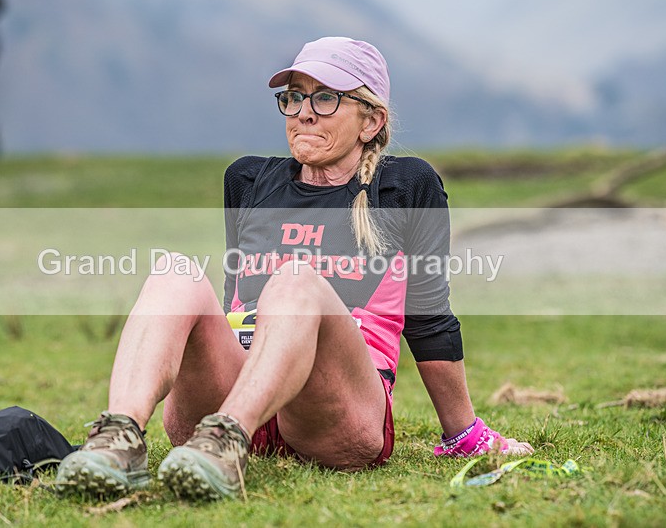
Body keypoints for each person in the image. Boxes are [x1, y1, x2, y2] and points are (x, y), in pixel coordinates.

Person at [55, 37, 533, 501]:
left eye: (326, 98)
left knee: (295, 278)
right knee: (173, 272)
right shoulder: (248, 180)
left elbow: (430, 319)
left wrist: (463, 433)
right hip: (232, 394)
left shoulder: (406, 187)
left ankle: (227, 441)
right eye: (295, 96)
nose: (304, 111)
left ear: (371, 121)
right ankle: (117, 441)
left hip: (338, 415)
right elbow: (231, 305)